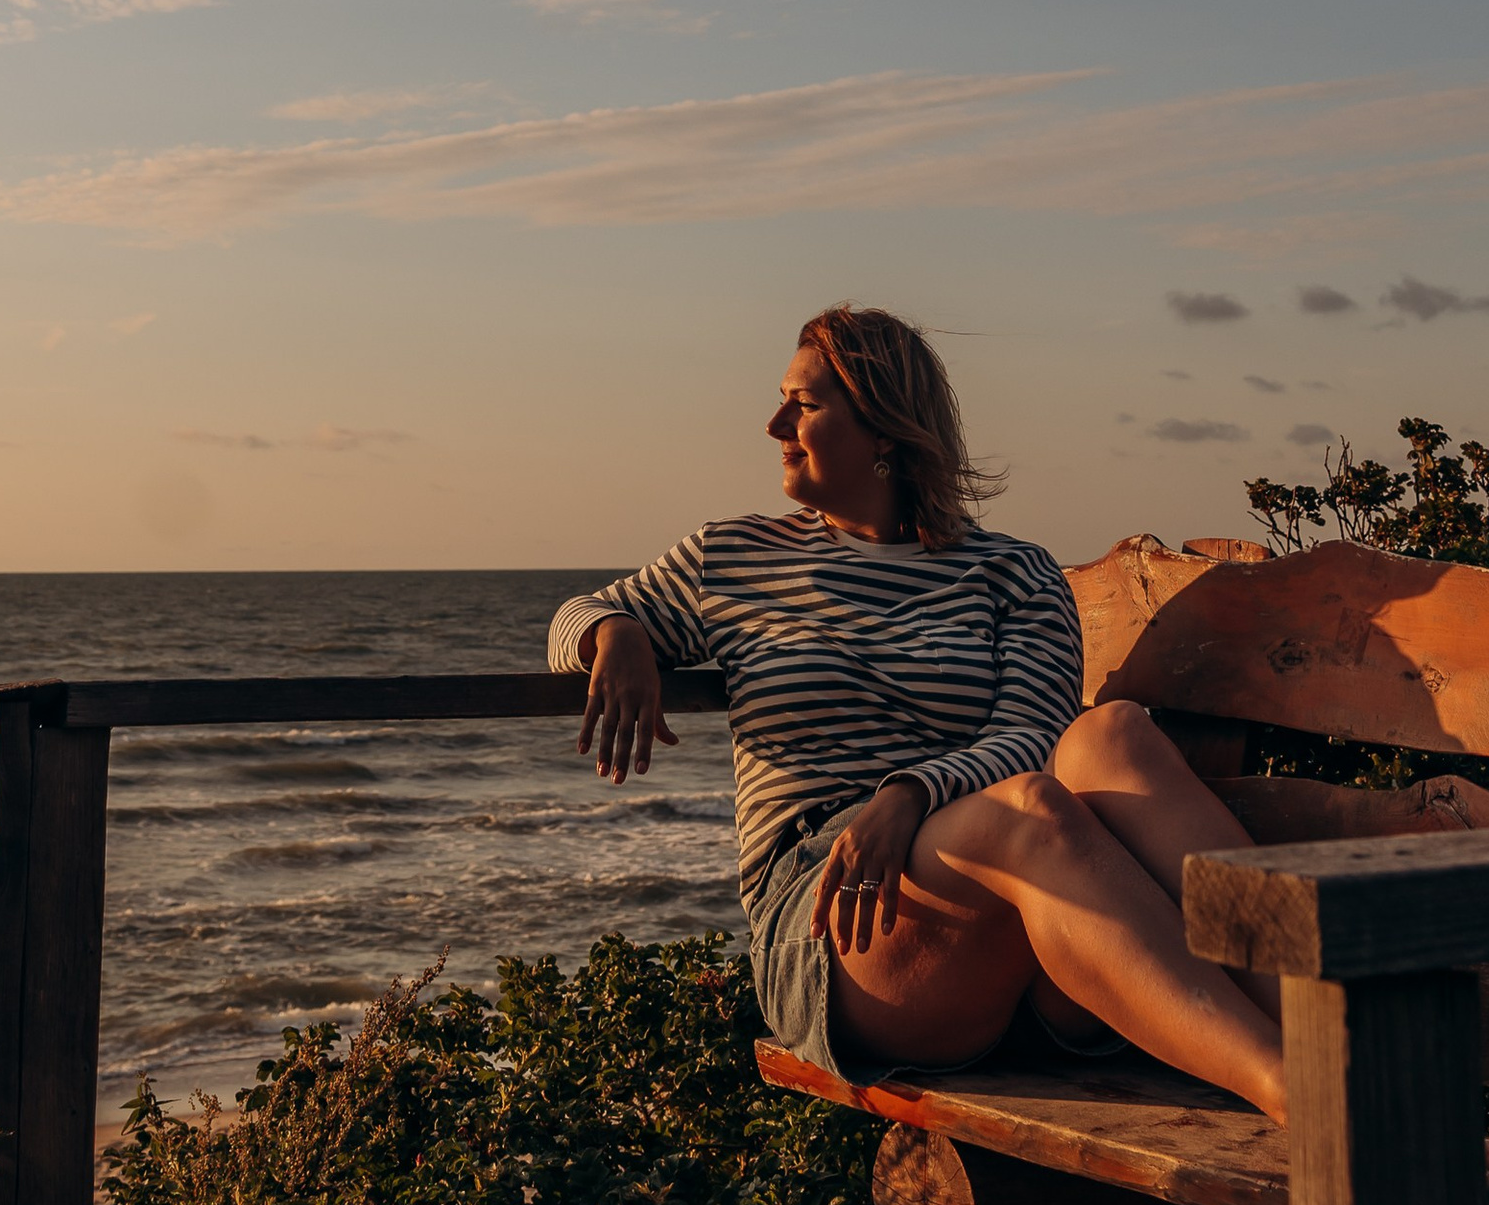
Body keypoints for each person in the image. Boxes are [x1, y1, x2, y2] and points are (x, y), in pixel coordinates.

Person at [548, 301, 1294, 1120]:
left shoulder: (1011, 572)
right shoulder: (734, 558)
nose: (774, 424)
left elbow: (1034, 736)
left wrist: (906, 797)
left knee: (1110, 736)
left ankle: (1326, 1031)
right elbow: (569, 620)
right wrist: (616, 632)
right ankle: (1292, 1088)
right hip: (835, 915)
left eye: (805, 403)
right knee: (1026, 814)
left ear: (885, 433)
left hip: (1039, 939)